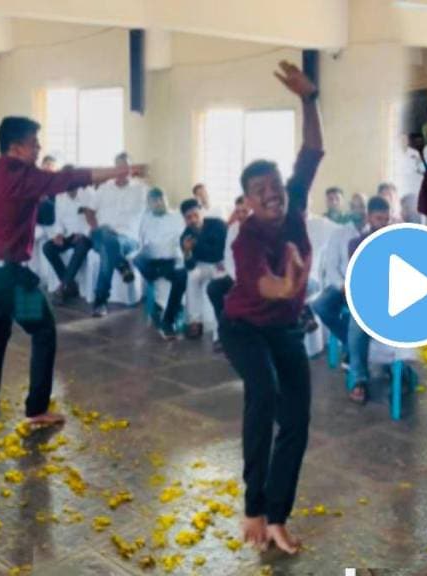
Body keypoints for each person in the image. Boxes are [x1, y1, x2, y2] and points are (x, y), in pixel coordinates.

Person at [0, 116, 144, 428]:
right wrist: (120, 171)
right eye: (34, 143)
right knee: (43, 331)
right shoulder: (22, 175)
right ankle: (36, 410)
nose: (38, 149)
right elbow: (69, 178)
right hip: (10, 279)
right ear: (18, 146)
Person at [218, 61, 322, 555]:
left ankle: (278, 516)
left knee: (298, 421)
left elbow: (314, 150)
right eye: (259, 191)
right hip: (243, 326)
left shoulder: (295, 200)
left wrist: (309, 98)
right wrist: (294, 281)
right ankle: (254, 506)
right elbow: (268, 286)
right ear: (248, 203)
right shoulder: (246, 238)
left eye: (274, 183)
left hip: (284, 330)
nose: (271, 192)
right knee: (263, 393)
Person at [344, 196, 395, 403]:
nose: (382, 224)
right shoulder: (356, 243)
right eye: (378, 219)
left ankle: (401, 371)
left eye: (386, 219)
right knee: (357, 324)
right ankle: (359, 379)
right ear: (368, 218)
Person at [85, 152, 149, 317]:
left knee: (109, 247)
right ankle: (121, 265)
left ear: (130, 168)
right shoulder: (104, 188)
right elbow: (89, 211)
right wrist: (95, 227)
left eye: (126, 166)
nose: (122, 169)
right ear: (115, 168)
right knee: (106, 235)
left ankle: (101, 300)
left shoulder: (142, 189)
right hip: (100, 235)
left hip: (128, 239)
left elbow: (154, 211)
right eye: (119, 166)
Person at [133, 188, 188, 340]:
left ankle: (167, 320)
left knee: (180, 275)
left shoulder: (176, 217)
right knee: (136, 259)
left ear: (166, 200)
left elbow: (182, 242)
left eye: (160, 199)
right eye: (154, 200)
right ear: (148, 204)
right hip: (150, 260)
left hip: (170, 259)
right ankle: (158, 304)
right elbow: (141, 242)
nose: (158, 203)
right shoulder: (145, 218)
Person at [312, 194, 365, 346]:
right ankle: (352, 343)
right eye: (354, 207)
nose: (359, 210)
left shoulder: (374, 231)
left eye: (362, 206)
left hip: (367, 289)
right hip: (341, 287)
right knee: (319, 305)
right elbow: (331, 267)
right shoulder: (339, 233)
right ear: (349, 209)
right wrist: (343, 286)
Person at [181, 197, 229, 340]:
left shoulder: (218, 224)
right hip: (202, 265)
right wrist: (187, 252)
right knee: (192, 276)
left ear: (202, 212)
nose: (193, 220)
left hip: (221, 263)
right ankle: (195, 322)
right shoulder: (186, 236)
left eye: (196, 215)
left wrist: (199, 240)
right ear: (184, 219)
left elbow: (218, 253)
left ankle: (219, 332)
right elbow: (189, 265)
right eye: (188, 217)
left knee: (218, 283)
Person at [206, 195, 249, 349]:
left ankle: (246, 337)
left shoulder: (261, 228)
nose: (241, 215)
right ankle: (224, 333)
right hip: (235, 277)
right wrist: (236, 278)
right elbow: (228, 257)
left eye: (245, 211)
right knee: (213, 288)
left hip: (255, 280)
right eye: (238, 212)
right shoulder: (233, 228)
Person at [42, 183, 93, 303]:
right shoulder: (60, 197)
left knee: (81, 246)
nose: (70, 192)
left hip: (85, 235)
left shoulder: (89, 194)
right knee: (47, 247)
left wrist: (83, 233)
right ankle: (69, 284)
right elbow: (59, 221)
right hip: (68, 235)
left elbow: (95, 218)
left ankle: (63, 286)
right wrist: (59, 234)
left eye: (72, 188)